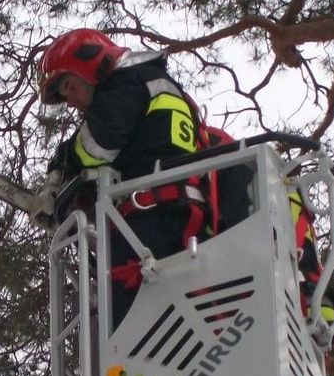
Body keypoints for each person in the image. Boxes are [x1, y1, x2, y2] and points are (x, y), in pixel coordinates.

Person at [36, 28, 209, 327]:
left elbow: (97, 147)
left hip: (148, 222)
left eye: (70, 88)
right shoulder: (155, 83)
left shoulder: (127, 82)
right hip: (176, 216)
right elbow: (141, 150)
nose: (73, 103)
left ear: (89, 66)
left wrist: (62, 164)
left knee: (134, 330)